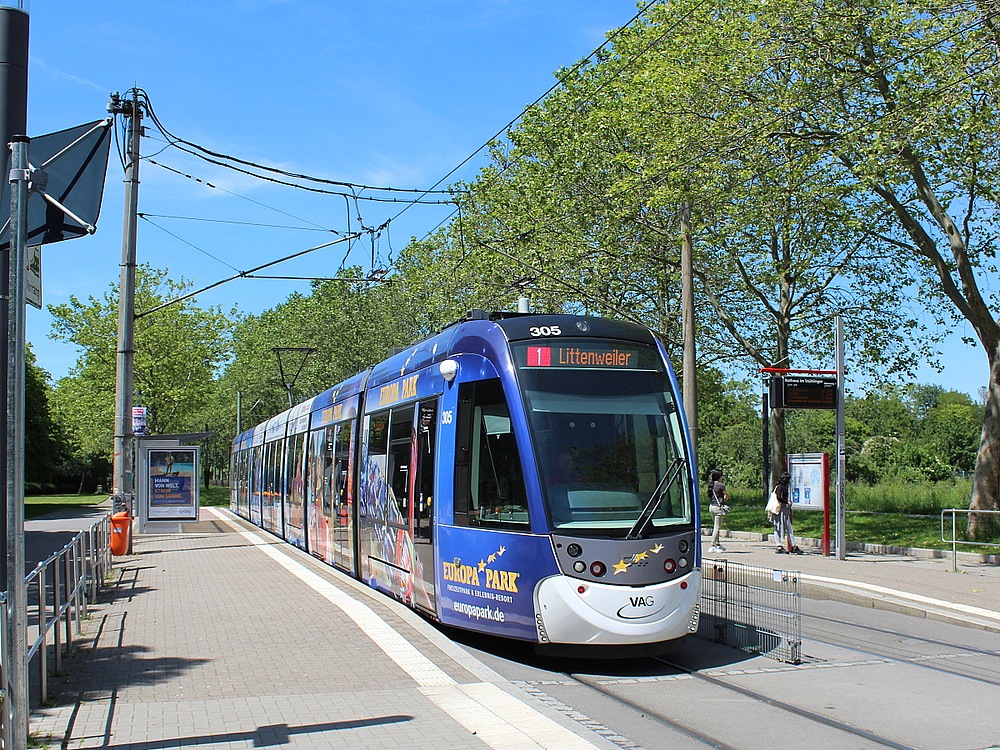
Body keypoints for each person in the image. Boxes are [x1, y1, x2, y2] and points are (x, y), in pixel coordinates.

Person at [772, 471, 802, 554]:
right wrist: (787, 502)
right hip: (779, 509)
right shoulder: (779, 487)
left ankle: (793, 545)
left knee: (788, 526)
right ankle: (779, 546)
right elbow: (779, 498)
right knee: (778, 527)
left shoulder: (782, 487)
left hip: (784, 509)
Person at [707, 468, 729, 554]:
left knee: (715, 526)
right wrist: (725, 498)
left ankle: (717, 544)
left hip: (711, 507)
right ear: (719, 477)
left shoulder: (711, 485)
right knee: (717, 528)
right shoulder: (721, 485)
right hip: (718, 508)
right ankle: (712, 546)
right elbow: (726, 496)